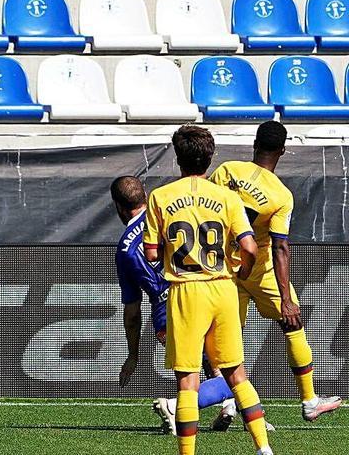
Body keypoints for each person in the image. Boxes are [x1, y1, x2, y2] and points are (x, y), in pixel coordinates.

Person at [143, 125, 273, 455]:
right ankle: (264, 448)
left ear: (178, 158)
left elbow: (152, 254)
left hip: (187, 292)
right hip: (223, 288)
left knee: (187, 381)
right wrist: (240, 273)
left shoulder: (160, 196)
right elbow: (250, 247)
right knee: (237, 376)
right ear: (210, 157)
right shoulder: (228, 197)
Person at [209, 120, 342, 422]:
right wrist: (286, 297)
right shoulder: (281, 195)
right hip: (260, 269)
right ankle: (309, 401)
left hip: (224, 268)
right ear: (282, 150)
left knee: (225, 338)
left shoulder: (227, 170)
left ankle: (227, 402)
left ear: (254, 144)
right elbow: (281, 247)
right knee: (292, 325)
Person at [111, 176, 238, 435]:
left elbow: (132, 312)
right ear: (145, 196)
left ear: (119, 207)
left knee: (214, 366)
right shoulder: (169, 215)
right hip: (197, 295)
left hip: (166, 317)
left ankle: (232, 409)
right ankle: (178, 406)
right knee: (231, 374)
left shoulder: (124, 249)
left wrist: (133, 354)